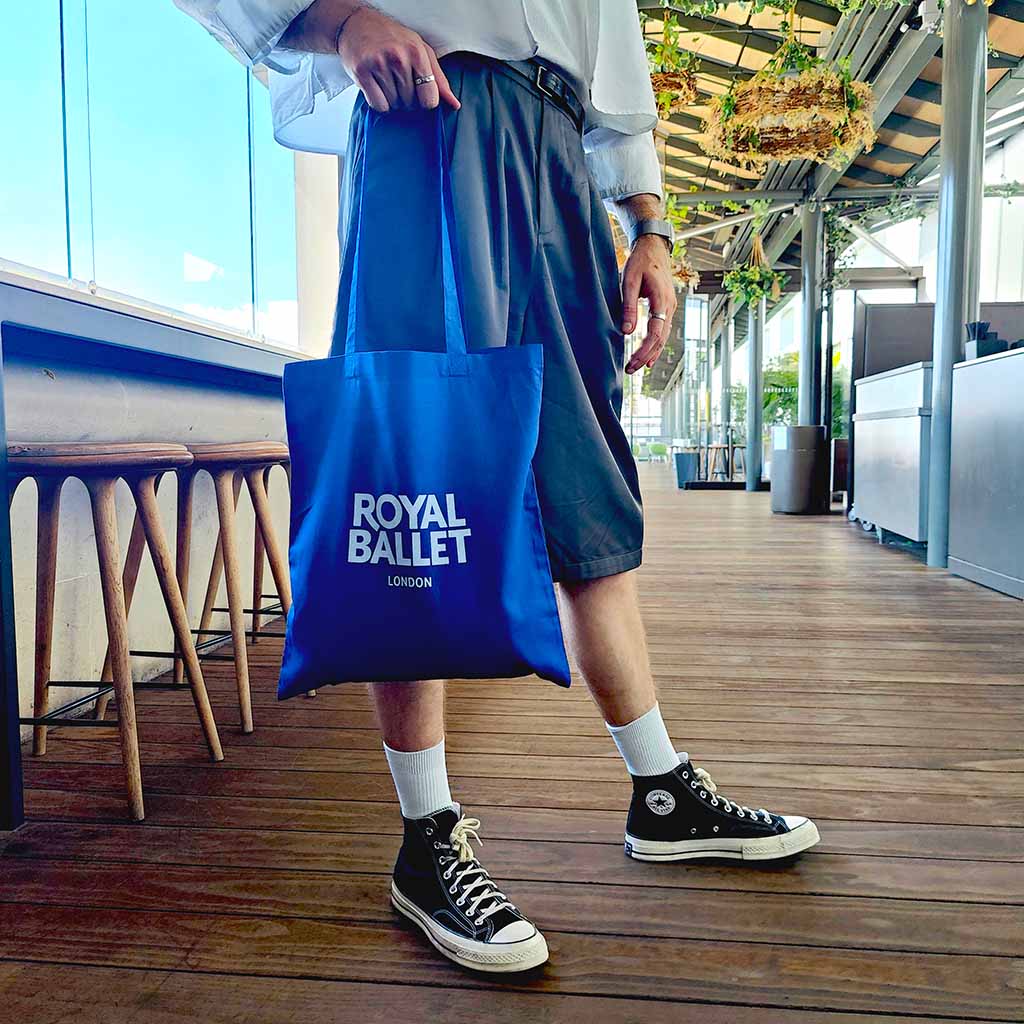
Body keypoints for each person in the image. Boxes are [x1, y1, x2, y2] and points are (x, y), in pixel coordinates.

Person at [176, 0, 820, 974]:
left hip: (561, 153)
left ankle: (659, 788)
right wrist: (340, 19)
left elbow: (614, 58)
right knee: (419, 463)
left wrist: (648, 224)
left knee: (586, 471)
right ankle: (426, 835)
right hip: (427, 110)